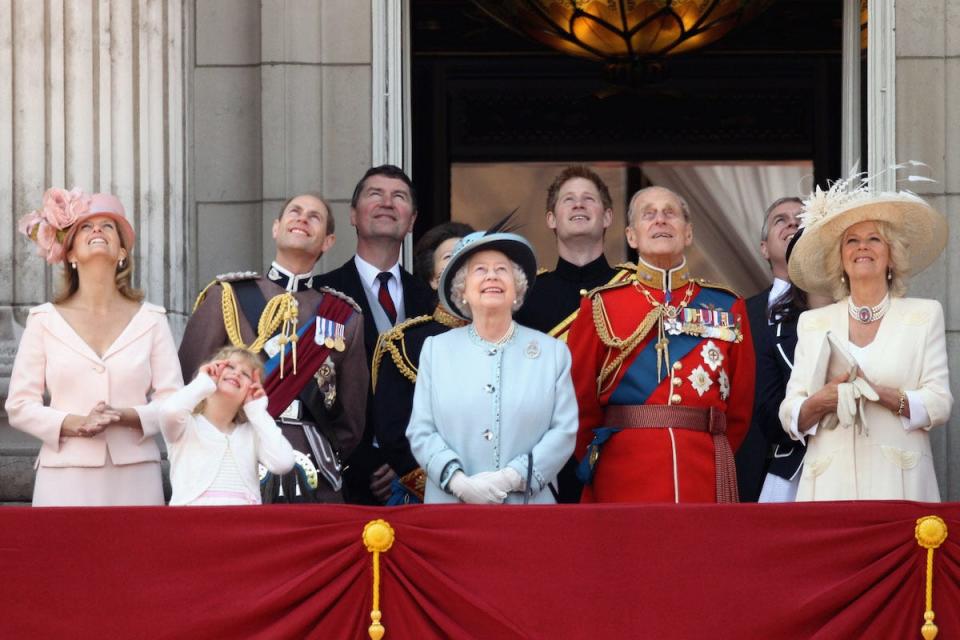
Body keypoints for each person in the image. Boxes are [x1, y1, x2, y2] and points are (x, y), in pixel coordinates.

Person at [567, 186, 755, 503]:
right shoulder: (602, 305)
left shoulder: (727, 307)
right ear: (631, 236)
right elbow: (577, 404)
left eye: (670, 213)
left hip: (703, 473)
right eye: (648, 214)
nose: (660, 221)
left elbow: (739, 409)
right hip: (623, 474)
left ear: (689, 233)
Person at [178, 193, 367, 503]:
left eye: (314, 216)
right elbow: (189, 381)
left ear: (328, 241)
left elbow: (351, 419)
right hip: (235, 455)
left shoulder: (343, 315)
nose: (303, 218)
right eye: (295, 211)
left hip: (313, 463)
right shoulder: (227, 296)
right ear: (276, 228)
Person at [6, 188, 182, 506]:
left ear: (122, 253)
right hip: (63, 479)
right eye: (86, 226)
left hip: (136, 480)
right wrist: (73, 423)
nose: (97, 230)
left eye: (108, 226)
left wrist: (126, 416)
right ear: (70, 253)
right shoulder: (43, 320)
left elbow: (175, 404)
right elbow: (19, 406)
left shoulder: (153, 320)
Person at [779, 182, 952, 501]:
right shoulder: (813, 322)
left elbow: (940, 403)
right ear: (840, 259)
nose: (863, 247)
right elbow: (791, 413)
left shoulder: (924, 315)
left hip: (900, 485)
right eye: (852, 241)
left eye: (874, 239)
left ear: (891, 256)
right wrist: (821, 401)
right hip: (829, 489)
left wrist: (882, 395)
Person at [406, 219, 578, 504]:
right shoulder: (436, 350)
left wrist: (512, 477)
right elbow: (421, 431)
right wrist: (459, 483)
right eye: (480, 270)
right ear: (462, 288)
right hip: (452, 510)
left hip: (528, 511)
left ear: (517, 287)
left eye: (502, 270)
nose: (492, 277)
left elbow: (564, 431)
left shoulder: (552, 353)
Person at [314, 165, 434, 504]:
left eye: (399, 197)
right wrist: (362, 461)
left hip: (423, 477)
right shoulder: (321, 295)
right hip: (345, 479)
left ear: (411, 221)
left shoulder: (433, 302)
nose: (386, 203)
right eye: (374, 194)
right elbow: (315, 393)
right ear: (353, 215)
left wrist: (408, 464)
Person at [515, 165, 628, 503]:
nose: (579, 205)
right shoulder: (525, 295)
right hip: (543, 449)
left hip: (618, 444)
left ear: (607, 217)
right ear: (551, 219)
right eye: (569, 200)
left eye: (588, 199)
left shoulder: (631, 290)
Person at [370, 222, 474, 504]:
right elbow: (394, 435)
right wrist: (451, 487)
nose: (462, 264)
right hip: (428, 497)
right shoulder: (405, 342)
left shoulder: (509, 338)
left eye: (470, 256)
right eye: (451, 257)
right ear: (432, 279)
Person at [159, 347, 295, 505]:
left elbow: (283, 462)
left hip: (242, 524)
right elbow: (169, 411)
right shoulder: (185, 425)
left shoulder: (251, 433)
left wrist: (257, 412)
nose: (237, 373)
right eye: (230, 366)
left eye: (245, 374)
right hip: (193, 523)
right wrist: (202, 383)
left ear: (251, 390)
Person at [735, 197, 802, 502]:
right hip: (758, 469)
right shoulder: (740, 313)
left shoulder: (842, 304)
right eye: (781, 220)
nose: (792, 223)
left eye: (801, 218)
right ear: (764, 248)